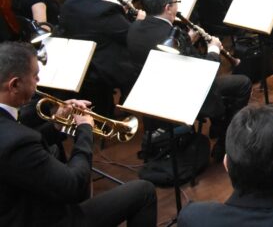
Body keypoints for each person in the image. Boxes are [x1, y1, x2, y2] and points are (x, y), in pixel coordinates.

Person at [0, 42, 157, 226]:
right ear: (15, 84)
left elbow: (25, 152)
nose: (38, 81)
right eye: (35, 76)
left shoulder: (12, 130)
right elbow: (75, 186)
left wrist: (57, 125)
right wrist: (85, 130)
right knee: (144, 191)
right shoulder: (17, 141)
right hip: (38, 218)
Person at [126, 0, 252, 160]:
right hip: (180, 95)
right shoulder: (171, 34)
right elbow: (204, 72)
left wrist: (187, 42)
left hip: (151, 93)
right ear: (168, 8)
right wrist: (213, 50)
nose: (178, 6)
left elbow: (167, 56)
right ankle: (224, 142)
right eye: (176, 2)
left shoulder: (134, 27)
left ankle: (219, 122)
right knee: (242, 83)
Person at [59, 0, 146, 107]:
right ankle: (131, 104)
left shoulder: (69, 2)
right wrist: (139, 22)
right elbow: (129, 36)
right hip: (101, 68)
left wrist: (120, 15)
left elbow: (95, 24)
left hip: (76, 64)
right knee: (140, 60)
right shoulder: (107, 9)